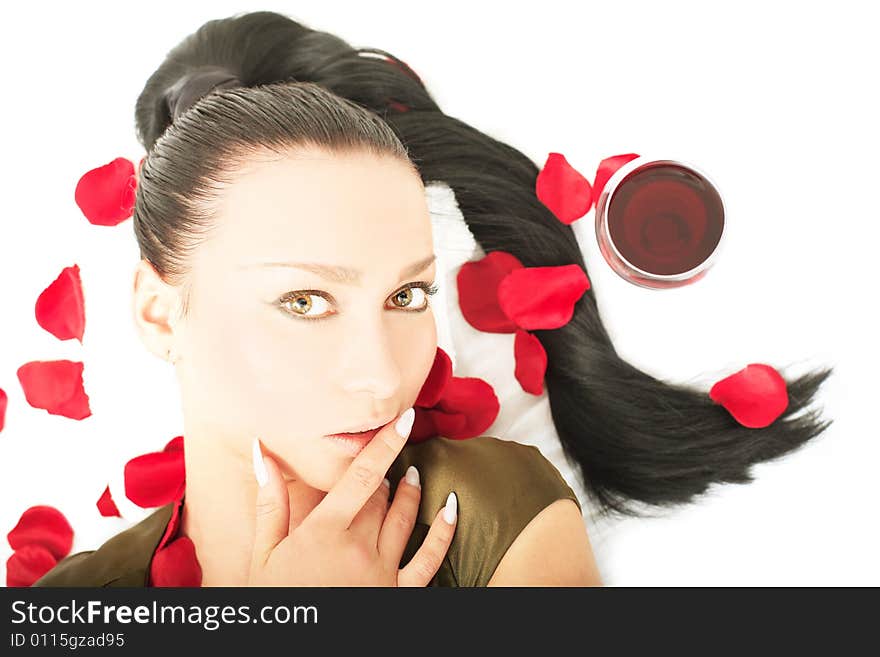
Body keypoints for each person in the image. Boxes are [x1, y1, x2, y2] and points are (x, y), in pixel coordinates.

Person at [34, 13, 602, 587]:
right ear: (160, 314)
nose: (381, 379)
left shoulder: (492, 522)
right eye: (305, 301)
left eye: (406, 295)